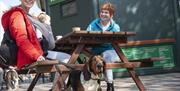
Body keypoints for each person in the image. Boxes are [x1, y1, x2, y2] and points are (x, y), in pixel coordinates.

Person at [1, 0, 45, 69]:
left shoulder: (29, 16)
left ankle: (60, 80)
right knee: (65, 59)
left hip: (29, 56)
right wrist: (36, 56)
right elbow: (21, 39)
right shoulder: (17, 15)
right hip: (25, 58)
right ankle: (60, 80)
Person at [86, 2, 120, 91]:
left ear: (111, 15)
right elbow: (86, 35)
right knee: (92, 60)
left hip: (111, 52)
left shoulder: (115, 27)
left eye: (106, 12)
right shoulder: (93, 24)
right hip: (97, 53)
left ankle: (110, 86)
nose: (103, 14)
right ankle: (94, 86)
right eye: (102, 12)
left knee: (106, 57)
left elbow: (116, 41)